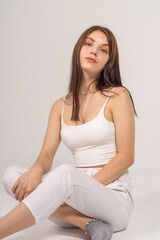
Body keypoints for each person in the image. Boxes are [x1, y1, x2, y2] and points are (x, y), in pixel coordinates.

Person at [1, 25, 137, 240]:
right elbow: (46, 156)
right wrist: (37, 170)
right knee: (12, 176)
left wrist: (74, 189)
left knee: (64, 173)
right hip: (73, 196)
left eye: (103, 50)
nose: (94, 51)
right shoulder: (60, 105)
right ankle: (84, 222)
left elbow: (126, 157)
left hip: (111, 198)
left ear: (108, 61)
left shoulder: (118, 96)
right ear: (78, 50)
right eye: (89, 44)